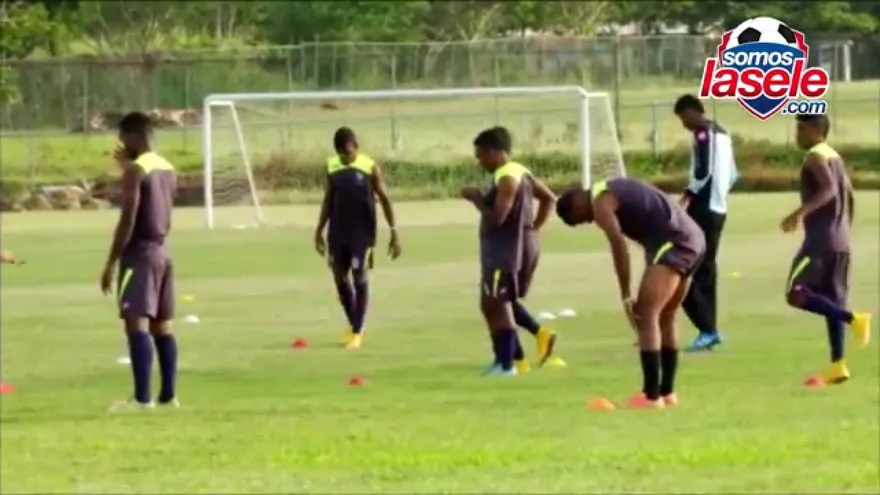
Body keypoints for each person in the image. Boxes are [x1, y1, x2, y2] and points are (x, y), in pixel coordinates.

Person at [555, 177, 706, 408]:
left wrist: (626, 295)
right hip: (692, 238)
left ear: (577, 203)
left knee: (647, 314)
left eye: (582, 219)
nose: (590, 221)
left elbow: (619, 247)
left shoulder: (601, 201)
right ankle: (666, 393)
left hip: (675, 242)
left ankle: (651, 396)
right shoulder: (614, 188)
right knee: (666, 315)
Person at [462, 127, 564, 373]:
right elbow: (549, 198)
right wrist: (532, 230)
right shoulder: (521, 171)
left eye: (481, 156)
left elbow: (497, 218)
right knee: (497, 301)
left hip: (504, 251)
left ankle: (507, 365)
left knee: (496, 303)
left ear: (495, 152)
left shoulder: (507, 177)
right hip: (518, 248)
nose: (480, 163)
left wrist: (475, 198)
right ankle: (520, 356)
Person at [780, 114, 871, 385]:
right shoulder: (836, 157)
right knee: (832, 300)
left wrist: (799, 212)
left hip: (820, 242)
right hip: (840, 242)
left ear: (815, 130)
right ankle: (838, 365)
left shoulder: (815, 157)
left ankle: (853, 319)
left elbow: (829, 189)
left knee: (795, 293)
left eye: (800, 128)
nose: (797, 134)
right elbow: (849, 195)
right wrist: (844, 229)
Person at [99, 112, 178, 411]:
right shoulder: (168, 168)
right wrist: (128, 168)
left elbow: (128, 219)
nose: (121, 145)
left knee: (136, 323)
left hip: (140, 254)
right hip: (163, 252)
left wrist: (110, 263)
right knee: (163, 325)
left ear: (133, 137)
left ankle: (143, 398)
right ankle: (168, 396)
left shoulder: (136, 171)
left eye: (123, 139)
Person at [314, 127, 401, 350]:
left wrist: (394, 231)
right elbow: (328, 200)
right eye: (342, 154)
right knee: (339, 277)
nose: (346, 158)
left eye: (349, 153)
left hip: (362, 233)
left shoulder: (369, 167)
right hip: (337, 231)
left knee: (359, 275)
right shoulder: (332, 167)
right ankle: (355, 325)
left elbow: (385, 199)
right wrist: (319, 230)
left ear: (356, 147)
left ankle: (357, 331)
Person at [673, 94, 737, 352]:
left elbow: (703, 171)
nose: (683, 124)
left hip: (702, 207)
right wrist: (720, 196)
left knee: (686, 266)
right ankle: (709, 329)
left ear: (691, 111)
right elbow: (732, 173)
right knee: (708, 269)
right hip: (719, 208)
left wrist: (687, 196)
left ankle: (707, 329)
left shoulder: (703, 133)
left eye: (682, 117)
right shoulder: (723, 132)